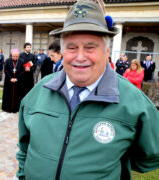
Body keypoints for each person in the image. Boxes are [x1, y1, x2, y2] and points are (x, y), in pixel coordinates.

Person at [16, 0, 159, 179]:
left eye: (90, 47)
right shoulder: (39, 90)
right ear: (62, 52)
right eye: (72, 47)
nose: (80, 57)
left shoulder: (134, 103)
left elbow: (148, 158)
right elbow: (24, 148)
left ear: (107, 51)